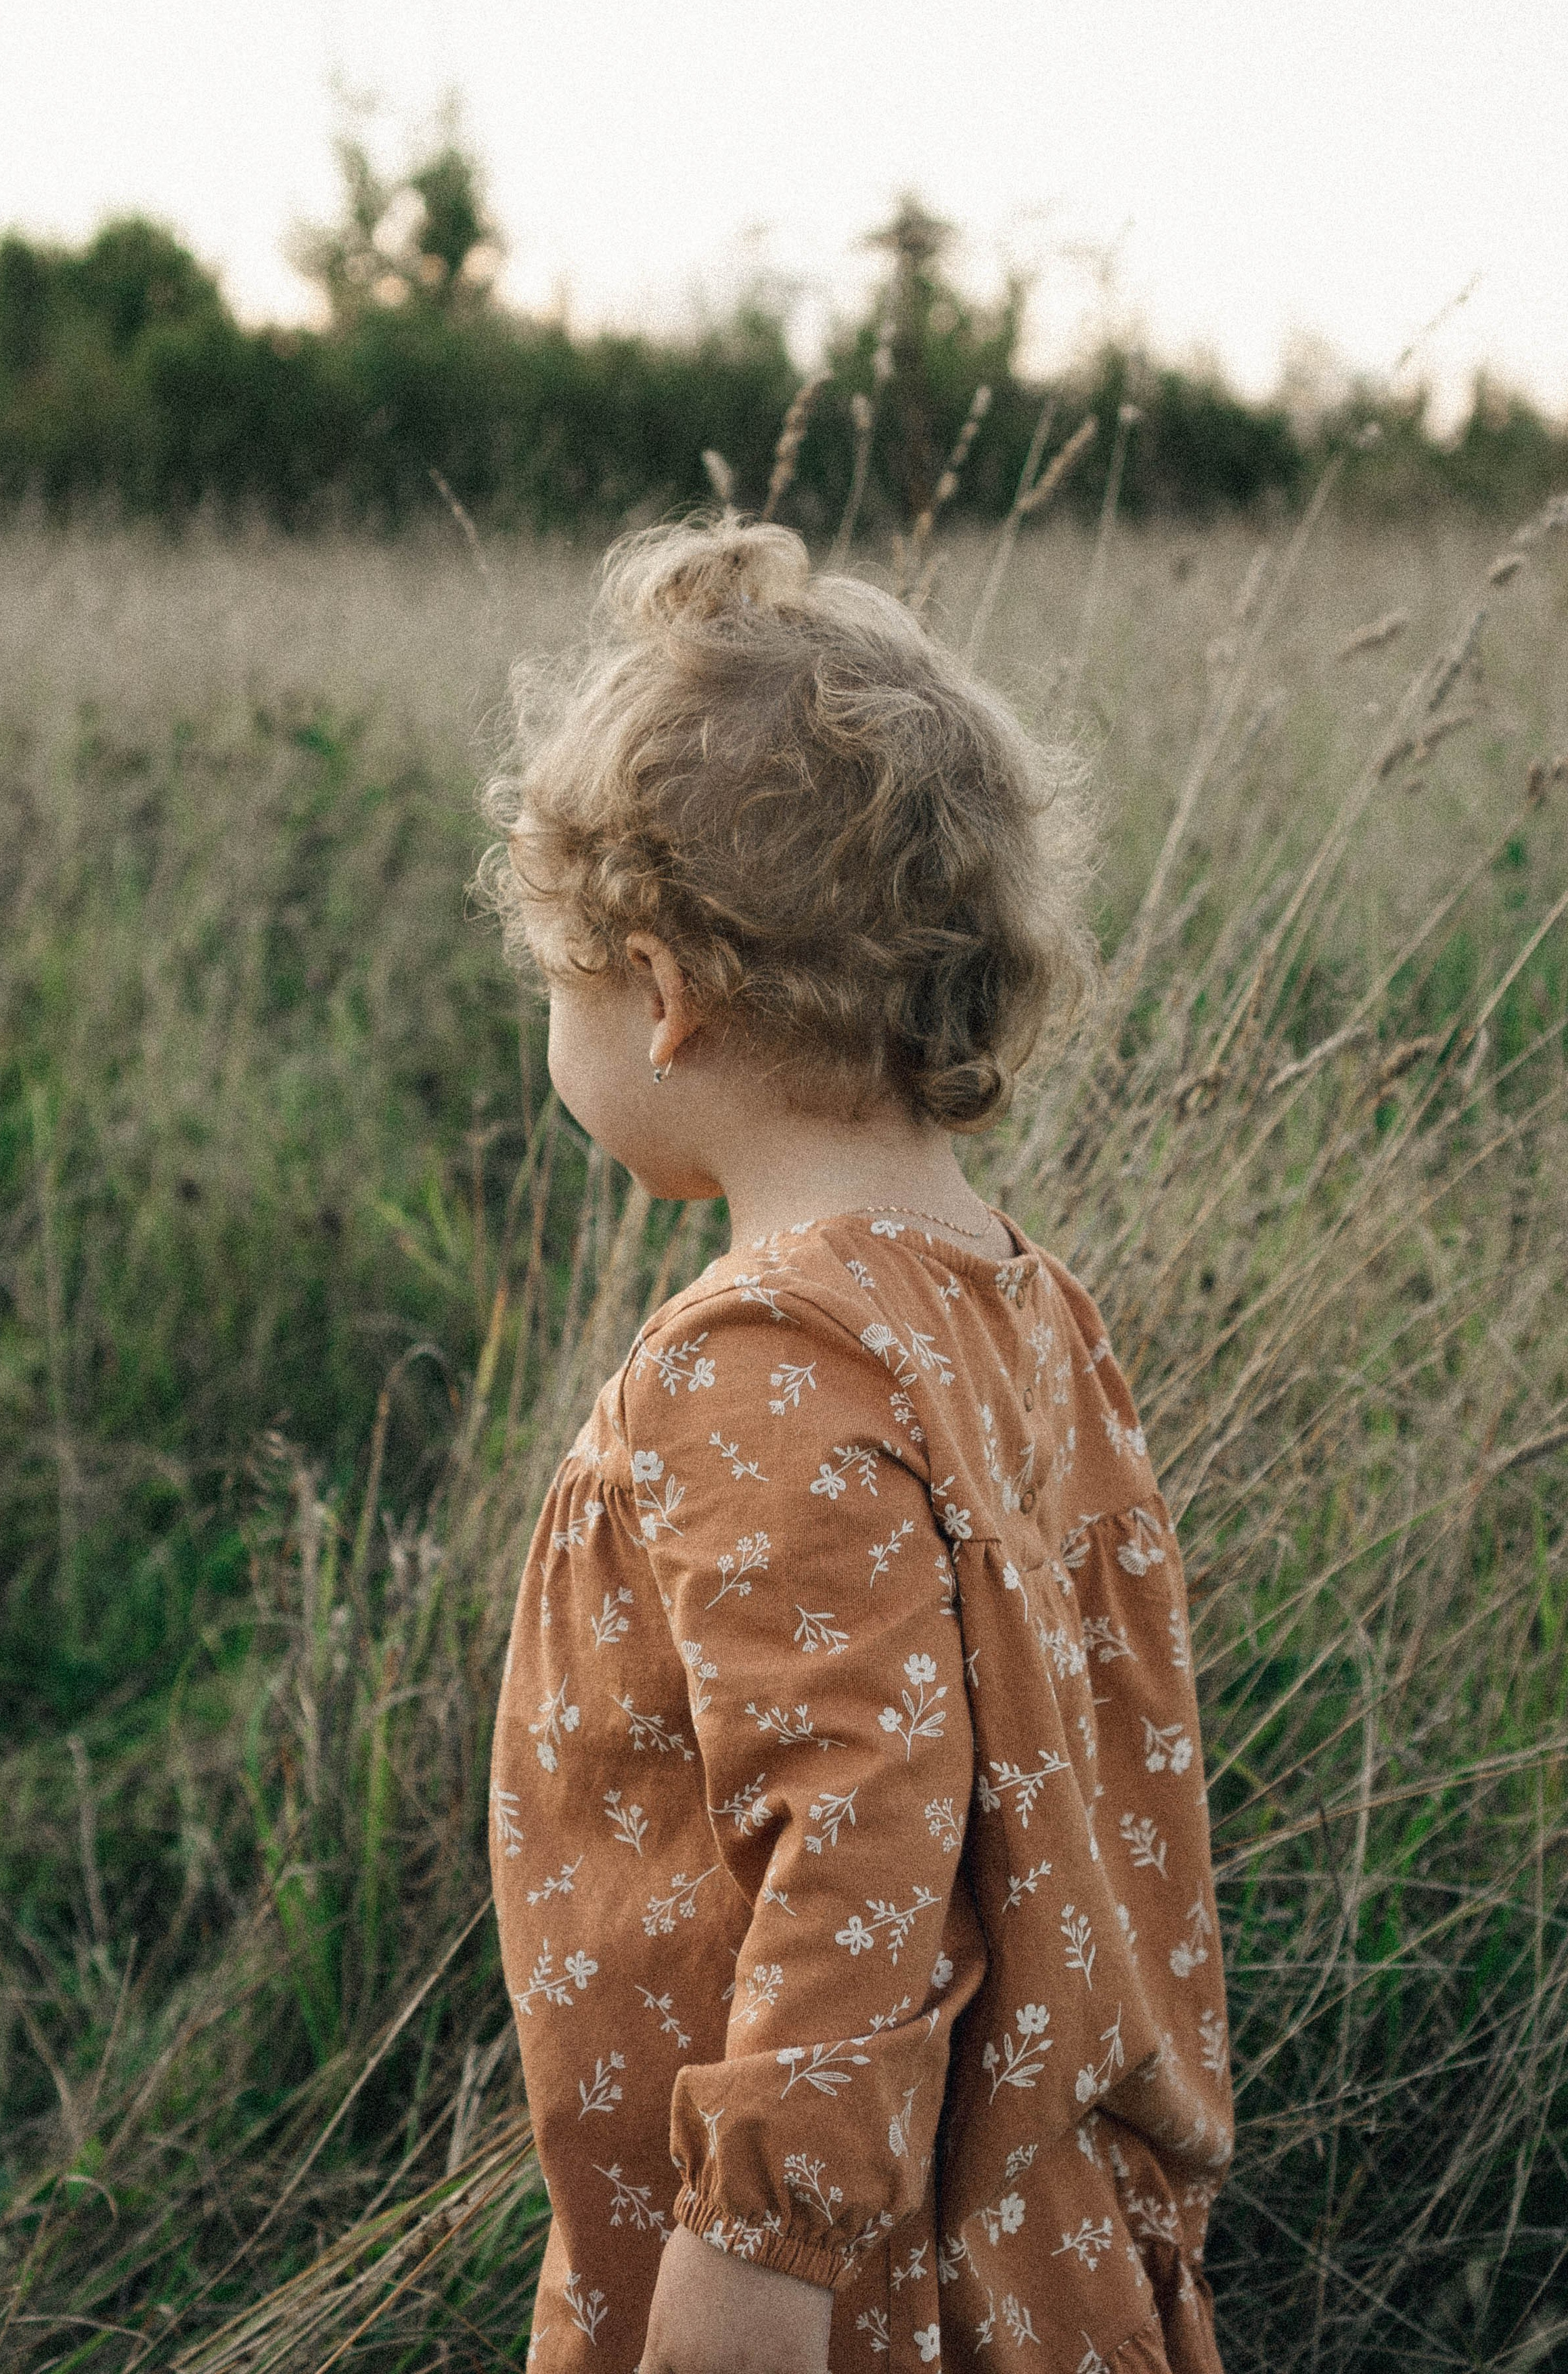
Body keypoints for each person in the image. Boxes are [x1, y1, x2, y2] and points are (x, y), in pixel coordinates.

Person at [483, 519, 1232, 2374]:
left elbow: (861, 1838)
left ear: (661, 989)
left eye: (557, 988)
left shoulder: (760, 1360)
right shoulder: (1022, 1304)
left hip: (855, 2286)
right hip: (1036, 2209)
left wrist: (757, 2264)